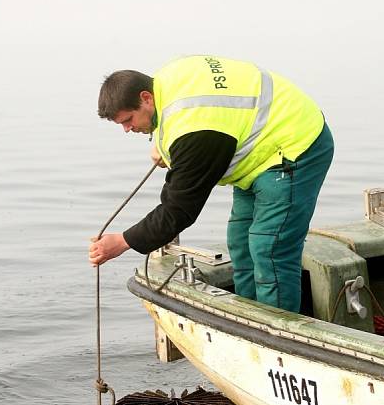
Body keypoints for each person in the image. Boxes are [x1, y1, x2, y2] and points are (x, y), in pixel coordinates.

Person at [89, 55, 333, 312]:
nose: (127, 129)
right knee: (240, 242)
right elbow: (188, 125)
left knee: (268, 248)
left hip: (295, 146)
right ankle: (248, 317)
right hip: (258, 151)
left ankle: (279, 331)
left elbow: (179, 210)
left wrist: (124, 241)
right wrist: (162, 144)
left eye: (128, 120)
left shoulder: (195, 131)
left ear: (145, 98)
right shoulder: (165, 80)